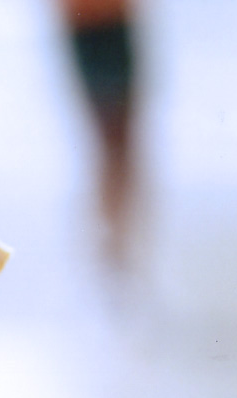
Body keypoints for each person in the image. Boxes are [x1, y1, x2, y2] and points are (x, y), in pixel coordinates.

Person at [60, 0, 137, 267]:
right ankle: (112, 242)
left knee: (114, 144)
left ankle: (112, 239)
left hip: (93, 22)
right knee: (115, 143)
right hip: (96, 23)